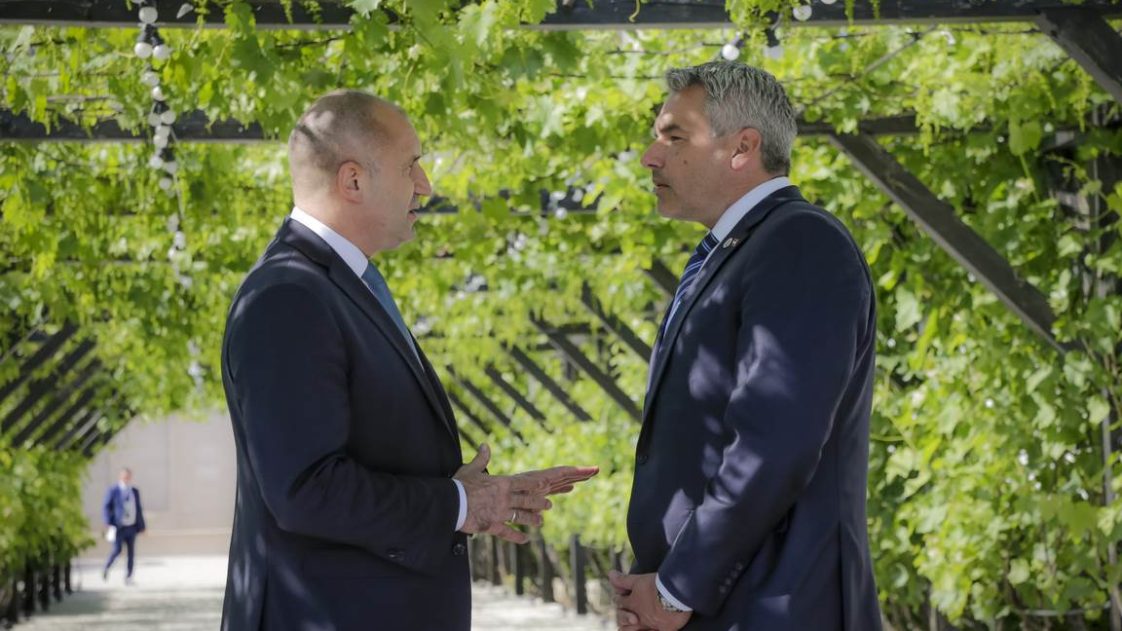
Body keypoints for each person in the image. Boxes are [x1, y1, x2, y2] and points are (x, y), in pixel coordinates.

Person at [219, 89, 597, 631]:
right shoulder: (289, 297)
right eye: (411, 165)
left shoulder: (335, 286)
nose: (425, 184)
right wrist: (459, 504)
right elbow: (306, 491)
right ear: (353, 181)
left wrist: (469, 494)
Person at [609, 61, 882, 630]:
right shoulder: (742, 249)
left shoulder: (800, 243)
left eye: (674, 137)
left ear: (742, 148)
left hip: (773, 606)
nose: (650, 157)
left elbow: (773, 444)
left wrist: (678, 589)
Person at [102, 467, 145, 585]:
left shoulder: (134, 491)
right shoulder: (113, 490)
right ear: (120, 477)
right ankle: (106, 567)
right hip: (119, 527)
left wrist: (142, 526)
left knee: (131, 553)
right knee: (117, 550)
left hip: (131, 526)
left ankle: (129, 576)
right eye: (124, 476)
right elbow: (106, 506)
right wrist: (107, 521)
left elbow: (138, 509)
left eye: (128, 476)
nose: (126, 478)